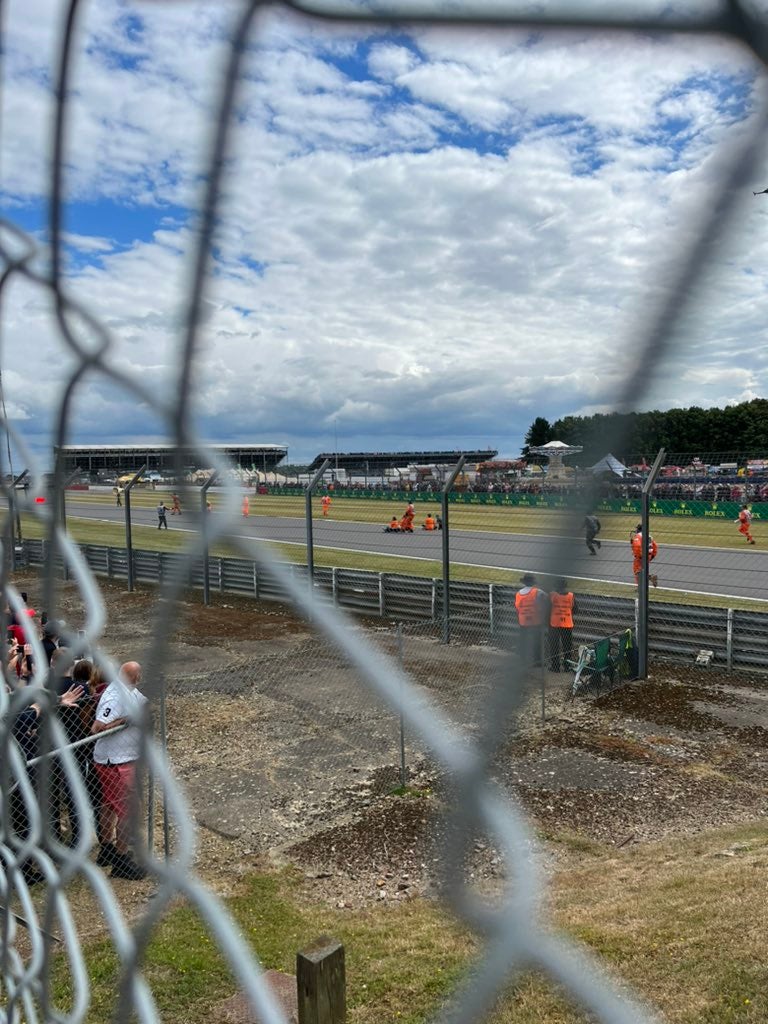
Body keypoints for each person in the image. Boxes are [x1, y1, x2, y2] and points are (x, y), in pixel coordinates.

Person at [91, 661, 148, 880]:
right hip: (114, 761)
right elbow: (97, 728)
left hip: (120, 758)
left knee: (109, 805)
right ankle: (121, 859)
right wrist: (125, 721)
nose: (140, 677)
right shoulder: (114, 696)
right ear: (132, 677)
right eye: (138, 674)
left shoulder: (128, 690)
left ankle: (107, 849)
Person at [514, 573, 548, 667]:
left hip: (523, 621)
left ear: (524, 582)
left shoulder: (518, 594)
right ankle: (537, 661)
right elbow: (547, 599)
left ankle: (523, 660)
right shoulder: (538, 592)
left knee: (523, 640)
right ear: (533, 582)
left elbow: (517, 607)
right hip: (535, 621)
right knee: (537, 641)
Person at [549, 578, 577, 672]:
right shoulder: (571, 595)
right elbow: (575, 610)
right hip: (567, 624)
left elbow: (547, 608)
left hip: (554, 624)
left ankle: (555, 666)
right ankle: (567, 666)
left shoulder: (552, 595)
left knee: (554, 646)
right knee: (567, 646)